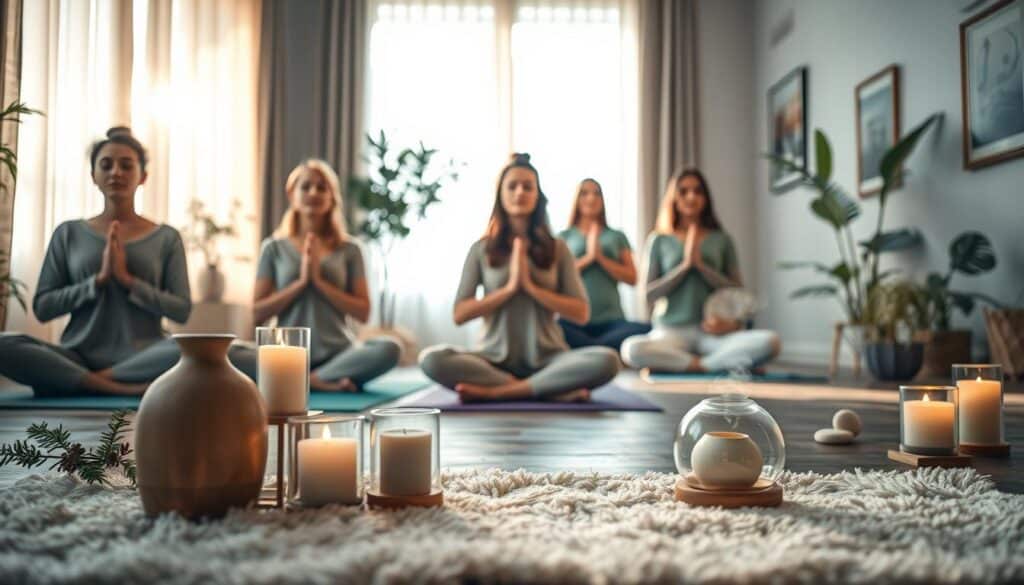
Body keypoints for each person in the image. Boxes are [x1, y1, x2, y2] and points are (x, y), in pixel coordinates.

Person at [0, 127, 190, 395]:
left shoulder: (167, 237)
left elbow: (181, 310)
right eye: (106, 165)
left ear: (143, 176)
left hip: (147, 358)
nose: (116, 172)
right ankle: (117, 388)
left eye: (126, 165)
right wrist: (96, 282)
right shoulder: (68, 233)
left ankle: (84, 382)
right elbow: (43, 307)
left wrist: (127, 281)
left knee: (189, 348)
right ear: (94, 176)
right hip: (78, 356)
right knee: (4, 345)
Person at [419, 154, 620, 402]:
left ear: (538, 195)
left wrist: (532, 288)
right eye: (512, 186)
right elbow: (460, 313)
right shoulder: (481, 249)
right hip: (492, 361)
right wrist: (510, 288)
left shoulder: (558, 248)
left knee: (608, 360)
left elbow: (581, 312)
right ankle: (545, 391)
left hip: (550, 359)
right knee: (431, 360)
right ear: (500, 194)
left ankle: (499, 392)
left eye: (528, 186)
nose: (520, 192)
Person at [236, 159, 400, 391]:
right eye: (306, 187)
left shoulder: (351, 249)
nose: (313, 192)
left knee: (389, 348)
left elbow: (363, 312)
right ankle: (317, 381)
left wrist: (319, 281)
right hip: (285, 354)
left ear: (332, 197)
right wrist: (302, 282)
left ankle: (307, 380)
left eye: (322, 187)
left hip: (339, 355)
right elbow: (257, 312)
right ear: (292, 194)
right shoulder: (273, 248)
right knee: (232, 352)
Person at [621, 168, 780, 373]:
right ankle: (715, 363)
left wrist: (702, 268)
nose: (691, 196)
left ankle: (698, 364)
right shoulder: (659, 240)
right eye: (684, 191)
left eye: (697, 191)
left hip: (713, 333)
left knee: (770, 342)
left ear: (705, 198)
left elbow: (739, 292)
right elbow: (648, 294)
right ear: (674, 198)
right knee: (631, 350)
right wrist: (685, 267)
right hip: (670, 332)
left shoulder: (721, 239)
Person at [557, 178, 650, 350]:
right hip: (573, 323)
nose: (591, 198)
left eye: (596, 193)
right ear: (577, 199)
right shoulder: (564, 237)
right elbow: (556, 278)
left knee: (648, 330)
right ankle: (600, 349)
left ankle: (591, 349)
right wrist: (588, 258)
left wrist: (601, 258)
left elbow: (633, 278)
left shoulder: (617, 236)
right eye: (585, 193)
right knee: (554, 329)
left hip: (612, 322)